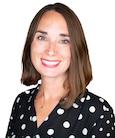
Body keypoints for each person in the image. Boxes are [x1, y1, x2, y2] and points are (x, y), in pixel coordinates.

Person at [6, 2, 115, 138]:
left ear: (76, 49)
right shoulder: (21, 102)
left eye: (64, 41)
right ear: (30, 44)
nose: (51, 50)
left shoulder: (98, 112)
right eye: (42, 38)